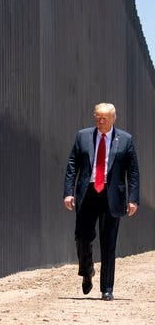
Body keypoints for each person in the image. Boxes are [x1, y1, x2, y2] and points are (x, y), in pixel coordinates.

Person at [63, 103, 139, 301]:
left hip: (111, 195)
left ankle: (107, 288)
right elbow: (72, 164)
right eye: (97, 117)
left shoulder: (126, 140)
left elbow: (133, 172)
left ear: (113, 118)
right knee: (82, 237)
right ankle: (87, 272)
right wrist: (68, 192)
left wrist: (133, 198)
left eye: (104, 118)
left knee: (108, 244)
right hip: (87, 193)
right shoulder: (83, 136)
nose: (100, 121)